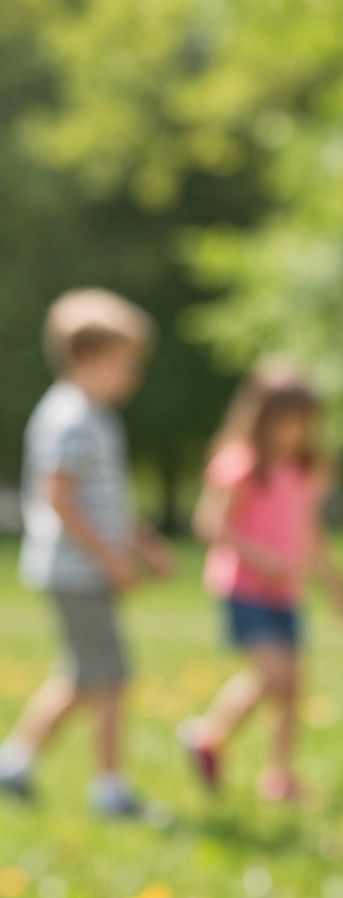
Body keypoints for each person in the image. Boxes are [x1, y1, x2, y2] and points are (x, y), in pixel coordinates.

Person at [0, 289, 172, 817]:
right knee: (110, 679)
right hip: (75, 570)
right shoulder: (70, 417)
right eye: (124, 364)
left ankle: (13, 765)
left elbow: (108, 500)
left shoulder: (95, 416)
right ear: (84, 359)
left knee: (82, 677)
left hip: (80, 568)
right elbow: (60, 497)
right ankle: (111, 791)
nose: (132, 377)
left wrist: (142, 542)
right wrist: (111, 559)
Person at [182, 360, 343, 802]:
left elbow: (312, 532)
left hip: (288, 593)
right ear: (261, 417)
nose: (295, 432)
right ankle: (209, 735)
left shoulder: (304, 471)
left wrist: (335, 586)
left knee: (291, 687)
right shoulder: (240, 465)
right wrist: (261, 559)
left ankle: (279, 776)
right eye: (287, 422)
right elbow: (209, 523)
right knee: (273, 675)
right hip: (245, 588)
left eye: (304, 423)